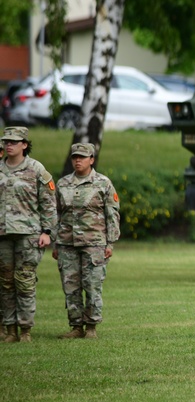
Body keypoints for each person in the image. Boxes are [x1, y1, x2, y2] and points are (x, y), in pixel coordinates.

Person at [52, 143, 120, 339]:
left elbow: (112, 214)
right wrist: (55, 242)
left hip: (94, 243)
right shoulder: (63, 184)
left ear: (92, 159)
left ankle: (91, 327)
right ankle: (75, 326)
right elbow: (56, 214)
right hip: (67, 243)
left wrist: (110, 243)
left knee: (92, 285)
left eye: (82, 157)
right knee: (70, 286)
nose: (78, 160)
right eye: (75, 157)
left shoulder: (103, 183)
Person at [0, 126, 57, 343]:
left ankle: (25, 330)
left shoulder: (36, 169)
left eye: (13, 141)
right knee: (5, 283)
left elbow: (49, 203)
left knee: (24, 281)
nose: (9, 145)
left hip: (28, 234)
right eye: (6, 141)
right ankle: (9, 329)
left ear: (24, 144)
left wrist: (47, 231)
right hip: (3, 234)